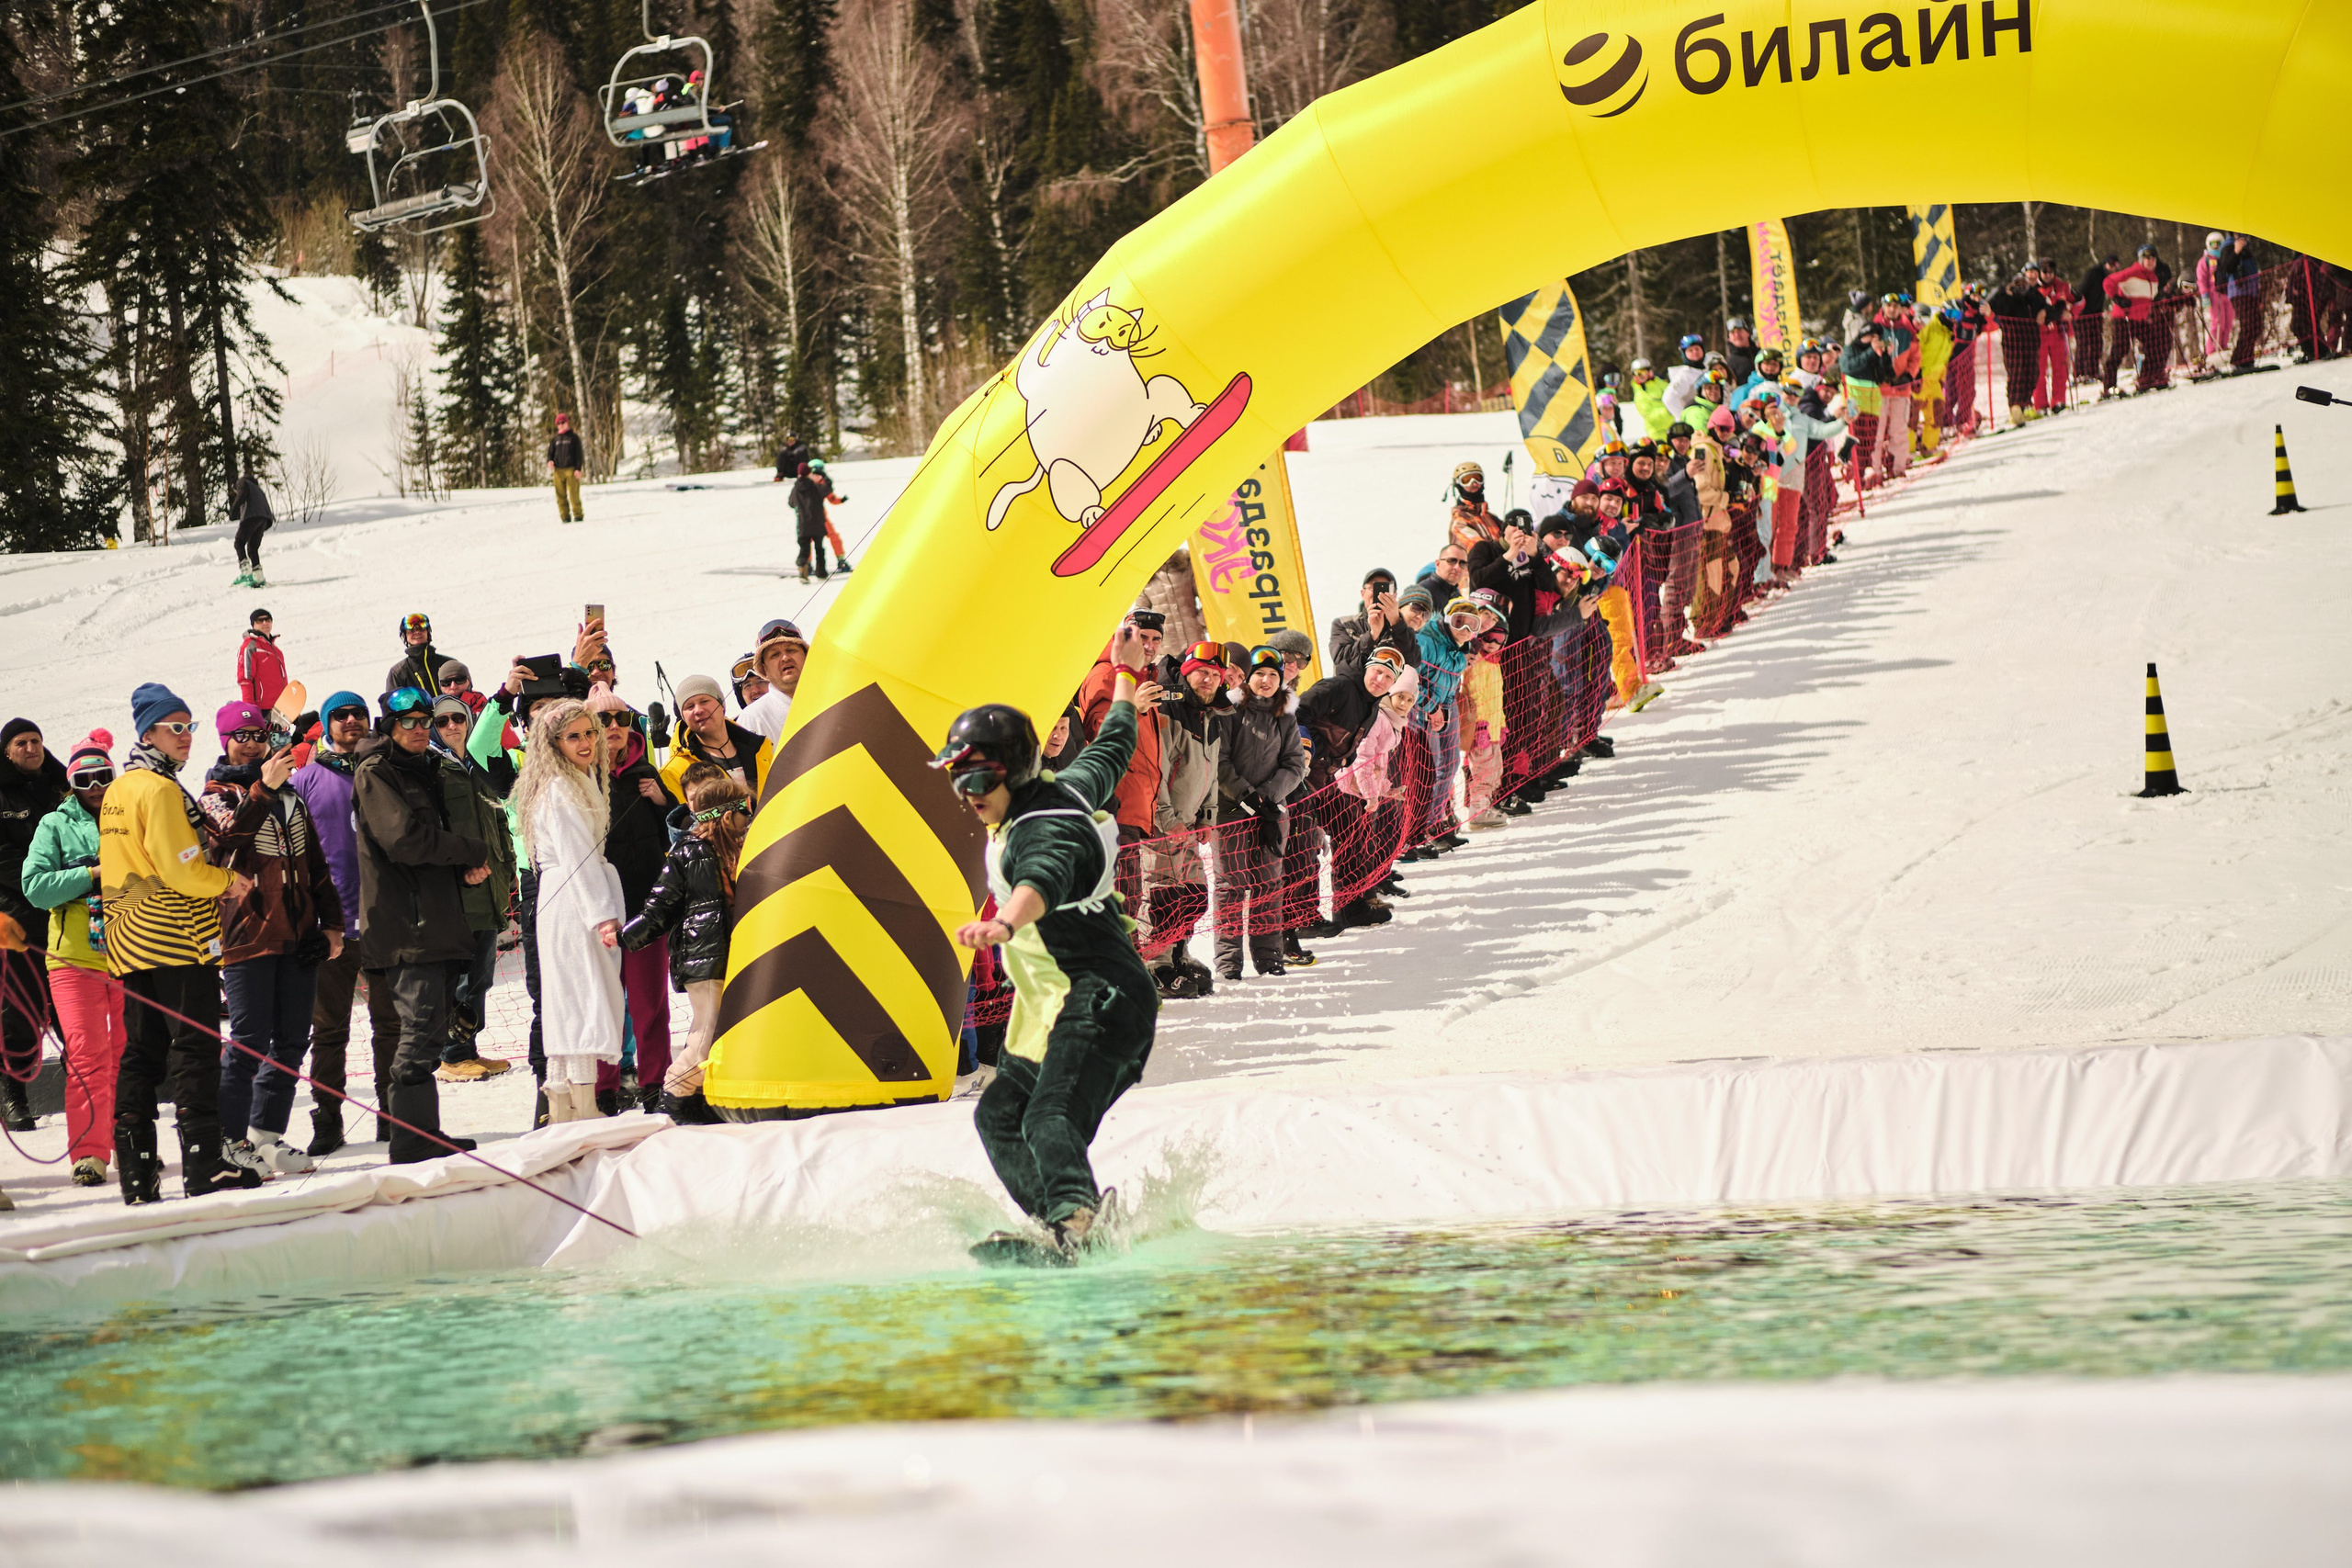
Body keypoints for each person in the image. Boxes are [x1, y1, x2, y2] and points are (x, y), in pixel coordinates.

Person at [942, 621, 1161, 1258]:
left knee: (1047, 1116)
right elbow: (1115, 744)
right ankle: (1063, 1222)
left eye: (978, 780)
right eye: (958, 781)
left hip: (1103, 1000)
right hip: (1057, 1004)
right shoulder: (1064, 786)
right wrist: (1126, 675)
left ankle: (1076, 1218)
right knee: (999, 1115)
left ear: (1010, 771)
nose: (968, 796)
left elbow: (1044, 872)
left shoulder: (1043, 827)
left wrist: (1005, 922)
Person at [100, 683, 254, 1201]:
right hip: (175, 935)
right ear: (149, 732)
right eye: (176, 728)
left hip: (127, 939)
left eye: (190, 726)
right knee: (194, 1045)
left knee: (141, 1049)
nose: (186, 737)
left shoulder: (120, 788)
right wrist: (226, 882)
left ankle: (137, 1173)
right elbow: (181, 869)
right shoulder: (161, 789)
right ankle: (205, 1163)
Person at [197, 700, 342, 1177]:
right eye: (242, 736)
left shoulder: (289, 796)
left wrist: (332, 922)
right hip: (246, 936)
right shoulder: (214, 794)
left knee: (292, 1041)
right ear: (224, 742)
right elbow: (223, 846)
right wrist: (262, 789)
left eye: (259, 736)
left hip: (297, 935)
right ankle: (228, 1138)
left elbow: (316, 865)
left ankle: (265, 1135)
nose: (253, 743)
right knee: (249, 1040)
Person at [352, 687, 486, 1164]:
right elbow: (404, 840)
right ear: (387, 728)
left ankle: (423, 1133)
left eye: (424, 721)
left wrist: (463, 866)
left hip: (437, 922)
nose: (419, 729)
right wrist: (466, 851)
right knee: (418, 1030)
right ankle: (409, 1140)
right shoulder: (376, 772)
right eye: (407, 722)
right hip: (406, 928)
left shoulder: (425, 769)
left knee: (430, 1032)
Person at [288, 691, 396, 1156]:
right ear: (327, 724)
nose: (351, 720)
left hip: (385, 922)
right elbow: (293, 854)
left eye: (358, 714)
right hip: (330, 925)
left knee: (391, 1026)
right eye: (341, 715)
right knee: (329, 1030)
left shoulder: (384, 770)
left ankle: (395, 1116)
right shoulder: (306, 779)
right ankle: (327, 1118)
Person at [512, 698, 625, 1123]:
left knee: (569, 998)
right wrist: (602, 915)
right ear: (554, 743)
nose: (585, 742)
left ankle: (562, 1106)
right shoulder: (561, 789)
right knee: (579, 997)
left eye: (590, 733)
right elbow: (579, 853)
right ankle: (583, 1105)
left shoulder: (575, 780)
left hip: (567, 896)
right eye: (573, 736)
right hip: (573, 899)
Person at [614, 761, 747, 1122]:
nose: (748, 817)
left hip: (730, 954)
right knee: (705, 1033)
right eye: (743, 810)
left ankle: (700, 1098)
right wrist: (628, 936)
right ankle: (674, 1097)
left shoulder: (740, 849)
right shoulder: (689, 851)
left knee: (720, 1031)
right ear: (724, 814)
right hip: (704, 957)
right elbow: (660, 905)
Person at [19, 731, 122, 1184]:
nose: (96, 785)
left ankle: (129, 1139)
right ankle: (89, 1153)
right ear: (71, 782)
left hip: (132, 953)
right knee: (86, 1053)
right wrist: (91, 873)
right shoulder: (54, 824)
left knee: (129, 1052)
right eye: (85, 778)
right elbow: (35, 886)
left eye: (103, 775)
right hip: (74, 958)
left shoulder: (130, 816)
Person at [588, 683, 675, 1112]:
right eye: (603, 720)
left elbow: (675, 838)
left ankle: (655, 1083)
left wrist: (664, 802)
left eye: (622, 718)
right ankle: (604, 1088)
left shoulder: (647, 774)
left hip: (644, 909)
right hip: (599, 912)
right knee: (604, 1002)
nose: (615, 727)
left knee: (649, 1004)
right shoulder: (579, 777)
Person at [427, 695, 517, 1086]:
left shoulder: (479, 764)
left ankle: (469, 1049)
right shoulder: (434, 770)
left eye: (458, 718)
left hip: (491, 884)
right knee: (462, 976)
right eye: (443, 720)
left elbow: (499, 818)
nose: (452, 726)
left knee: (481, 976)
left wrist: (509, 865)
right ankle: (451, 1054)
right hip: (460, 891)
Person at [1212, 647, 1306, 981]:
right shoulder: (1230, 710)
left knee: (1269, 885)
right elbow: (1219, 761)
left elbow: (1295, 763)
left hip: (1272, 814)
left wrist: (1267, 798)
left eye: (1273, 676)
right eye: (1259, 674)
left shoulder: (1286, 716)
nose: (1266, 681)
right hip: (1231, 812)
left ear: (1281, 681)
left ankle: (1269, 959)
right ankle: (1228, 963)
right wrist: (1247, 796)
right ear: (1248, 678)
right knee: (1231, 887)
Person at [1076, 608, 1168, 941]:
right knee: (1119, 901)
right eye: (1143, 637)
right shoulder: (1105, 674)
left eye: (1156, 639)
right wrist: (1135, 706)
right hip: (1113, 804)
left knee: (1130, 899)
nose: (1150, 645)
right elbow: (1097, 733)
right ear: (1124, 637)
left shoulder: (1144, 678)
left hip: (1137, 807)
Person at [1145, 641, 1227, 998]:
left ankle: (1179, 952)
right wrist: (1168, 820)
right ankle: (1156, 963)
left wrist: (1207, 816)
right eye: (1201, 673)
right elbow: (1155, 773)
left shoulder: (1210, 716)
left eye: (1214, 675)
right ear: (1186, 672)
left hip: (1190, 826)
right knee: (1162, 897)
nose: (1208, 680)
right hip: (1163, 826)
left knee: (1193, 895)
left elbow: (1212, 774)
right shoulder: (1169, 711)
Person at [0, 716, 65, 1133]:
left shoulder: (62, 784)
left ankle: (92, 1085)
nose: (31, 748)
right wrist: (38, 882)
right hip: (18, 918)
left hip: (67, 913)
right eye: (21, 742)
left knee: (72, 1008)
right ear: (7, 751)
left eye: (36, 740)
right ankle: (13, 1095)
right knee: (20, 1010)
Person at [662, 673, 774, 802]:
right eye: (689, 707)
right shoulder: (674, 771)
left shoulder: (761, 749)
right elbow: (683, 819)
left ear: (722, 705)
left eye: (704, 701)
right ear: (683, 717)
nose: (698, 710)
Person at [1329, 568, 1418, 679]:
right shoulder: (1344, 624)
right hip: (1350, 691)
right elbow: (1340, 661)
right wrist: (1372, 635)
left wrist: (1396, 623)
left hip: (1386, 693)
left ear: (1395, 596)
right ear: (1362, 593)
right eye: (1374, 588)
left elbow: (1413, 663)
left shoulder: (1403, 629)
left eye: (1386, 588)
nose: (1380, 593)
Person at [736, 618, 807, 744]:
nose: (785, 658)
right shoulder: (754, 718)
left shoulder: (833, 698)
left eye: (791, 650)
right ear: (764, 669)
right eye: (775, 655)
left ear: (806, 657)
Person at [789, 459, 851, 581]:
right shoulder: (816, 487)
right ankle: (820, 568)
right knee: (819, 545)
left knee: (810, 543)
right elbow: (827, 491)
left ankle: (809, 565)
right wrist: (826, 480)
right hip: (819, 519)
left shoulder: (798, 487)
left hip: (805, 521)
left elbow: (831, 498)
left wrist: (841, 500)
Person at [386, 612, 458, 697]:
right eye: (411, 630)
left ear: (428, 632)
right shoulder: (398, 673)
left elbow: (466, 691)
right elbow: (392, 705)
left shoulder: (448, 664)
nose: (417, 632)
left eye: (421, 629)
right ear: (405, 635)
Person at [230, 464, 275, 589]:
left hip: (252, 516)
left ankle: (247, 574)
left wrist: (234, 509)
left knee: (239, 543)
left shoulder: (242, 482)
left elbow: (242, 493)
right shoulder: (257, 488)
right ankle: (258, 576)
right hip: (264, 518)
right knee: (252, 548)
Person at [236, 608, 288, 712]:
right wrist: (250, 709)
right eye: (260, 621)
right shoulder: (250, 646)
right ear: (253, 624)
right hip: (262, 709)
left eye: (268, 620)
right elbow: (245, 680)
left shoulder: (275, 648)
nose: (265, 623)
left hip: (280, 707)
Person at [1446, 462, 1503, 552]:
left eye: (1477, 478)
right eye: (1466, 480)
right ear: (1458, 484)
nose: (1474, 484)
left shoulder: (1490, 517)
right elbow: (1481, 550)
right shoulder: (1460, 520)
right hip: (1478, 566)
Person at [548, 413, 586, 524]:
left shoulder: (574, 438)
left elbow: (579, 454)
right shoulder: (555, 439)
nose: (561, 425)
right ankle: (565, 516)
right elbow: (550, 453)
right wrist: (550, 461)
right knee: (560, 496)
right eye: (558, 423)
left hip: (571, 470)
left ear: (567, 423)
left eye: (562, 422)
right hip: (558, 470)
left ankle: (578, 515)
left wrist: (578, 468)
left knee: (574, 494)